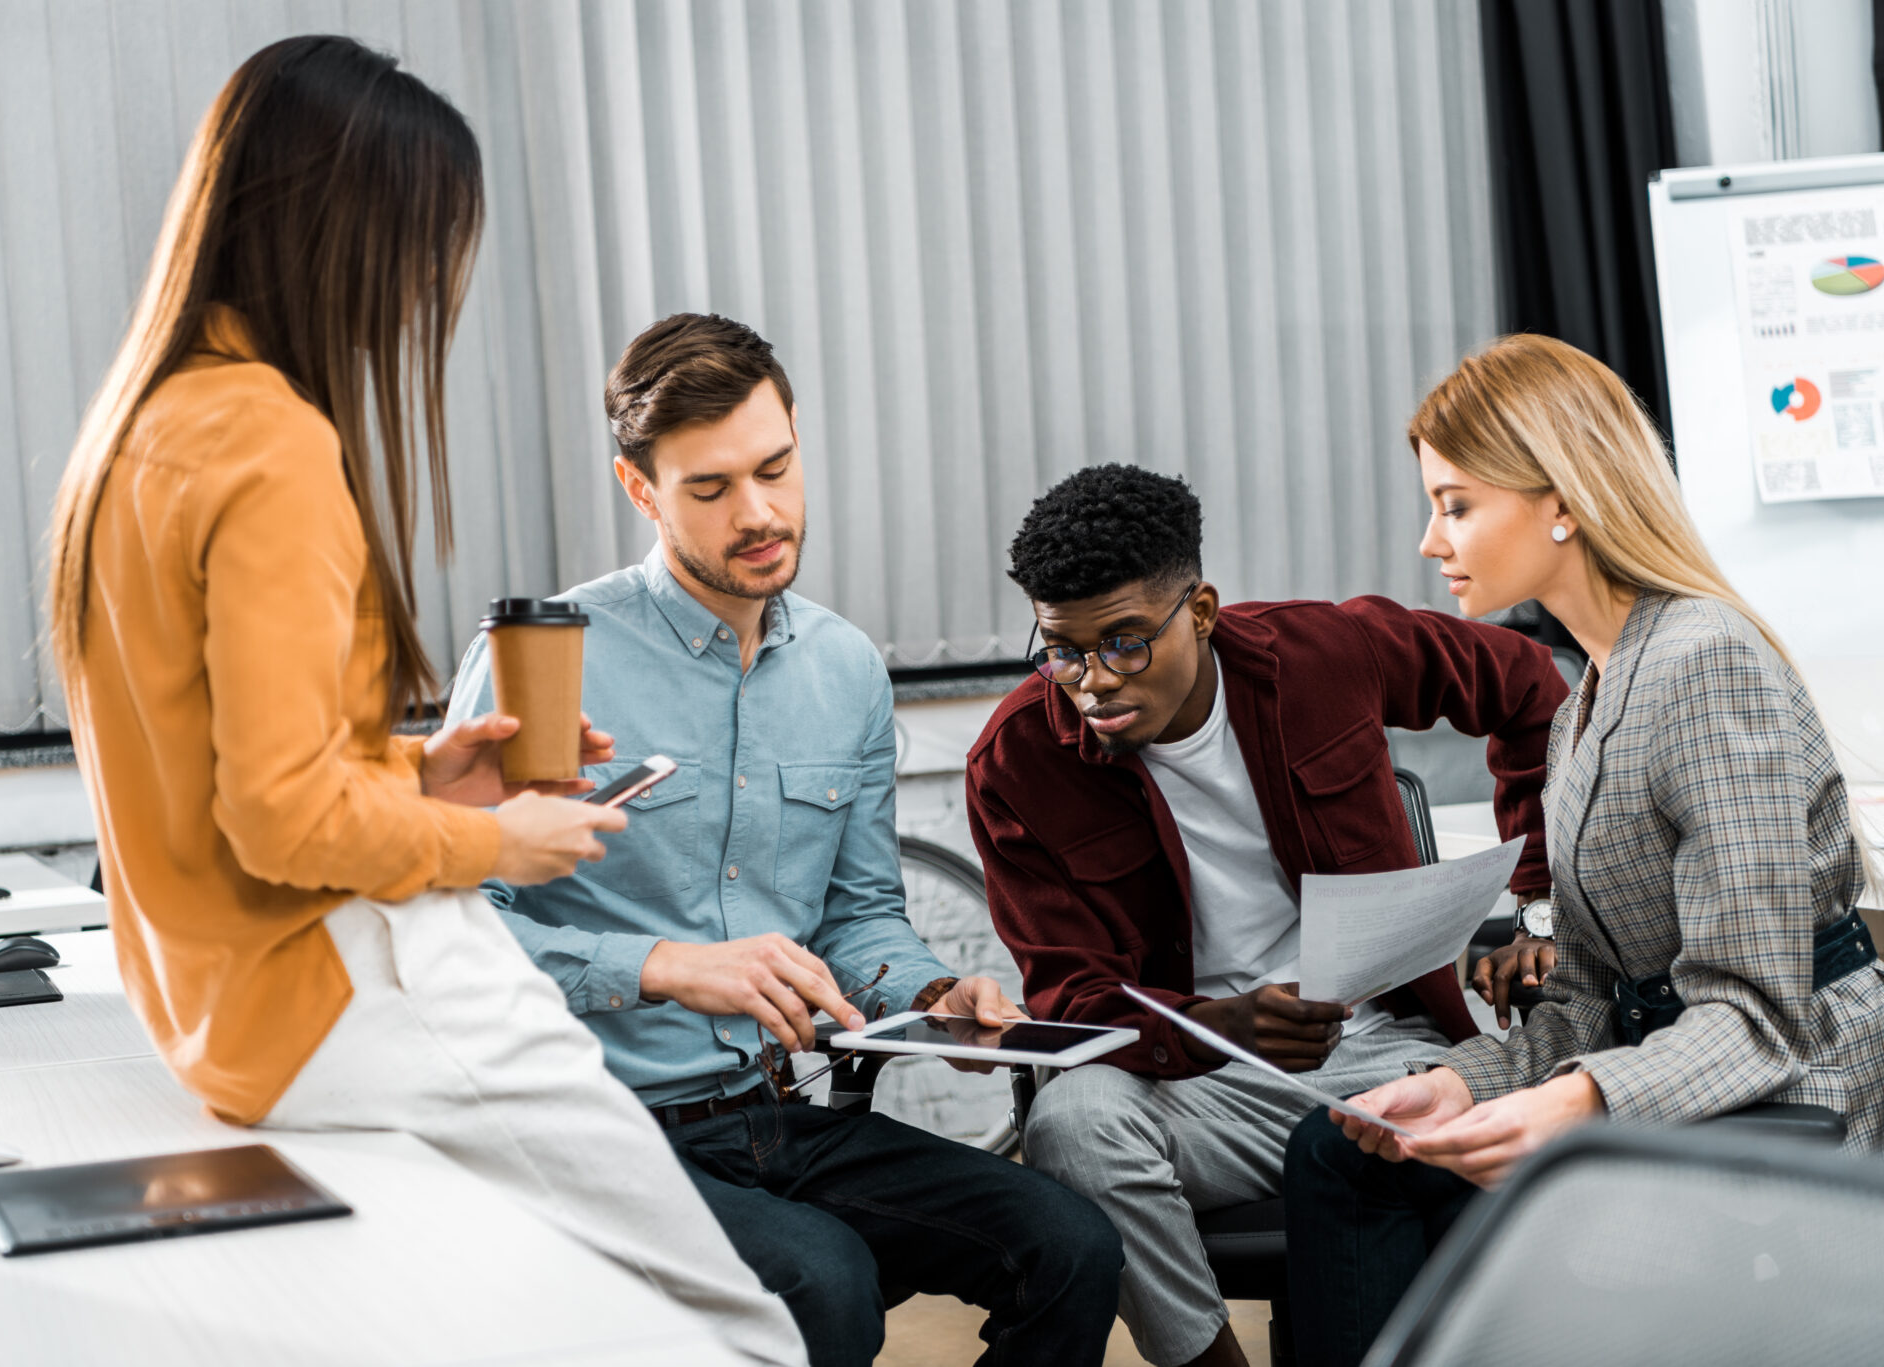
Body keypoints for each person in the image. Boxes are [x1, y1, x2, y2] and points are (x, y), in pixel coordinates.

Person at [46, 39, 802, 1366]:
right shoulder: (276, 443)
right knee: (732, 1327)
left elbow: (223, 761)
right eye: (431, 247)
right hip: (347, 980)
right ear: (352, 227)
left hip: (218, 1016)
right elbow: (283, 819)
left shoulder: (142, 424)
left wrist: (421, 770)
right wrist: (496, 841)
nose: (427, 294)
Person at [445, 313, 1124, 1367]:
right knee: (821, 1279)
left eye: (775, 467)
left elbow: (859, 915)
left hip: (770, 1113)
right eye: (709, 488)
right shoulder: (544, 661)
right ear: (640, 490)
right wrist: (659, 967)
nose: (758, 513)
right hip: (594, 1127)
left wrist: (930, 994)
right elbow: (455, 932)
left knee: (1069, 1243)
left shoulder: (845, 668)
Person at [1283, 333, 1884, 1367]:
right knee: (1337, 1157)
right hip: (1666, 1068)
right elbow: (1587, 998)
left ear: (1560, 498)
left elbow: (1757, 1015)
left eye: (1456, 502)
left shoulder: (1702, 663)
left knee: (1526, 1287)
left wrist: (1572, 1103)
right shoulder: (1583, 703)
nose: (1430, 539)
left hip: (1785, 1097)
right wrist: (1466, 1081)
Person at [963, 462, 1568, 1367]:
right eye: (1062, 649)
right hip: (1186, 1085)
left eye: (1126, 642)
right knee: (1069, 1124)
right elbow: (1074, 1000)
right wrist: (1215, 1027)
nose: (1090, 681)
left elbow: (1527, 683)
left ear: (1199, 611)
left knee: (1495, 1156)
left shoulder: (1323, 653)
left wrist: (1537, 899)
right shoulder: (1015, 763)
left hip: (1385, 1048)